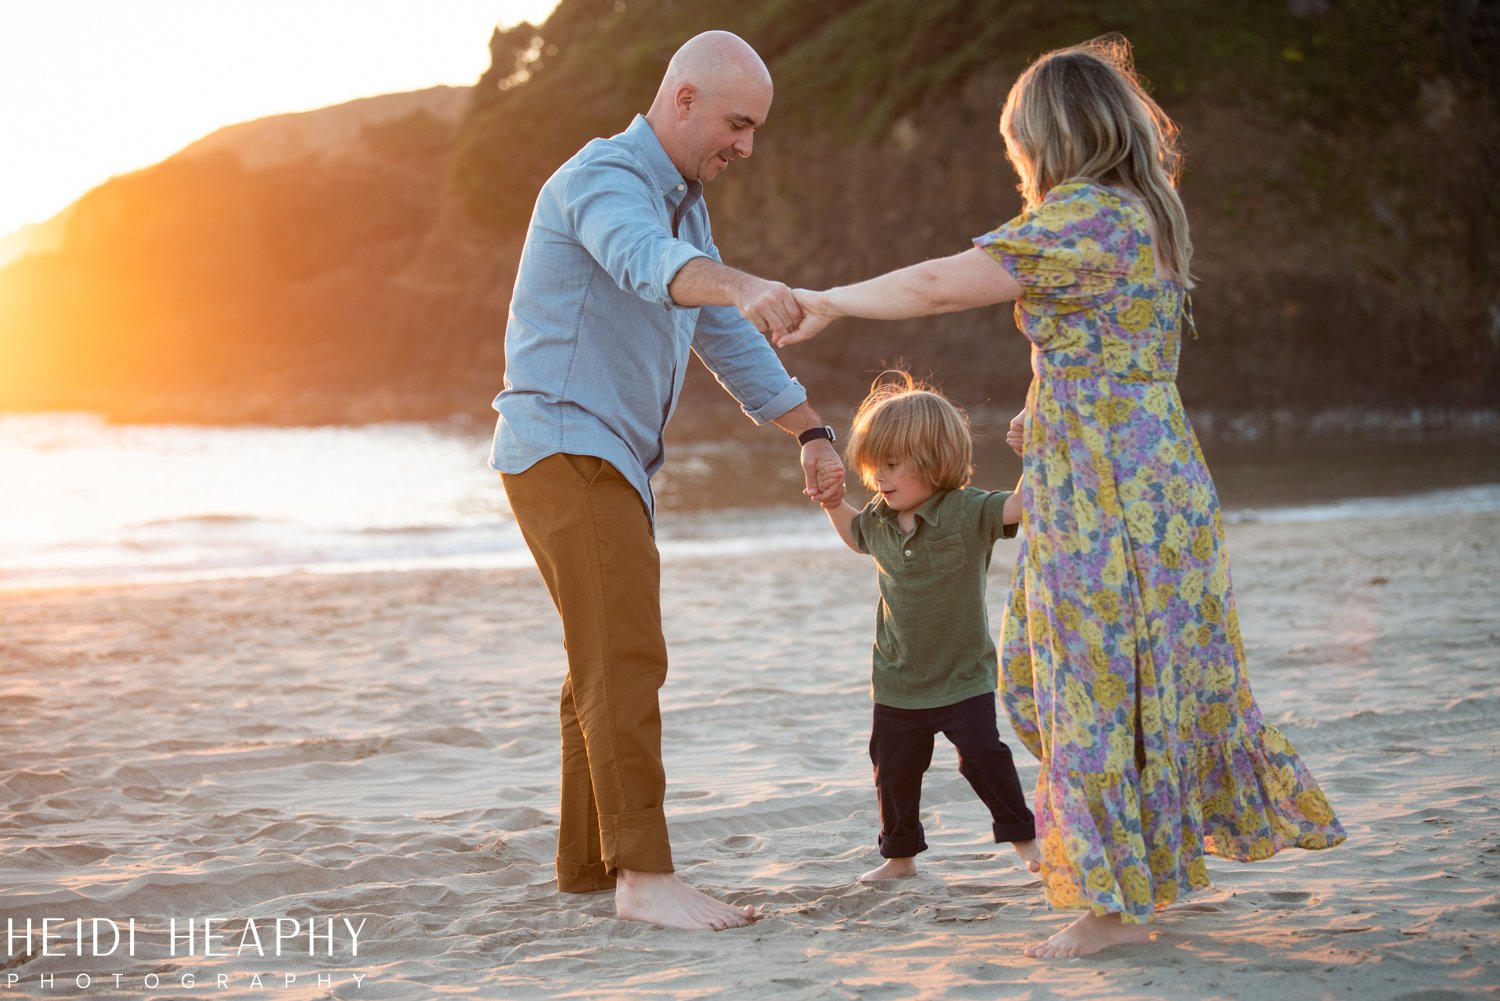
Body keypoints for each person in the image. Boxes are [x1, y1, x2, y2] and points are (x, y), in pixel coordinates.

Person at [777, 35, 1345, 957]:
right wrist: (1046, 408)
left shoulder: (1083, 220)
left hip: (1105, 495)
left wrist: (829, 299)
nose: (1020, 166)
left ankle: (1114, 905)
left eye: (1020, 147)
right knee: (1109, 682)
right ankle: (1142, 866)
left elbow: (931, 287)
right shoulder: (1147, 216)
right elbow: (1113, 348)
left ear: (1052, 139)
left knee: (1075, 686)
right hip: (1149, 479)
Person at [489, 30, 847, 932]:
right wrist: (738, 282)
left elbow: (721, 333)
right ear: (682, 99)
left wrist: (807, 427)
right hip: (566, 447)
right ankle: (643, 877)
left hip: (600, 458)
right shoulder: (602, 180)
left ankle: (588, 867)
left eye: (756, 128)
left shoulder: (685, 205)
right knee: (626, 655)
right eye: (736, 123)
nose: (746, 146)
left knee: (598, 662)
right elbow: (645, 262)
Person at [819, 374, 1041, 883]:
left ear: (934, 458)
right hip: (898, 679)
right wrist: (833, 502)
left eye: (892, 465)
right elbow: (856, 538)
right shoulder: (877, 516)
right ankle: (900, 859)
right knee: (893, 770)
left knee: (984, 758)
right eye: (874, 467)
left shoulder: (966, 510)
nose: (879, 478)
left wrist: (1035, 456)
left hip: (964, 674)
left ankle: (1026, 842)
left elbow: (1019, 507)